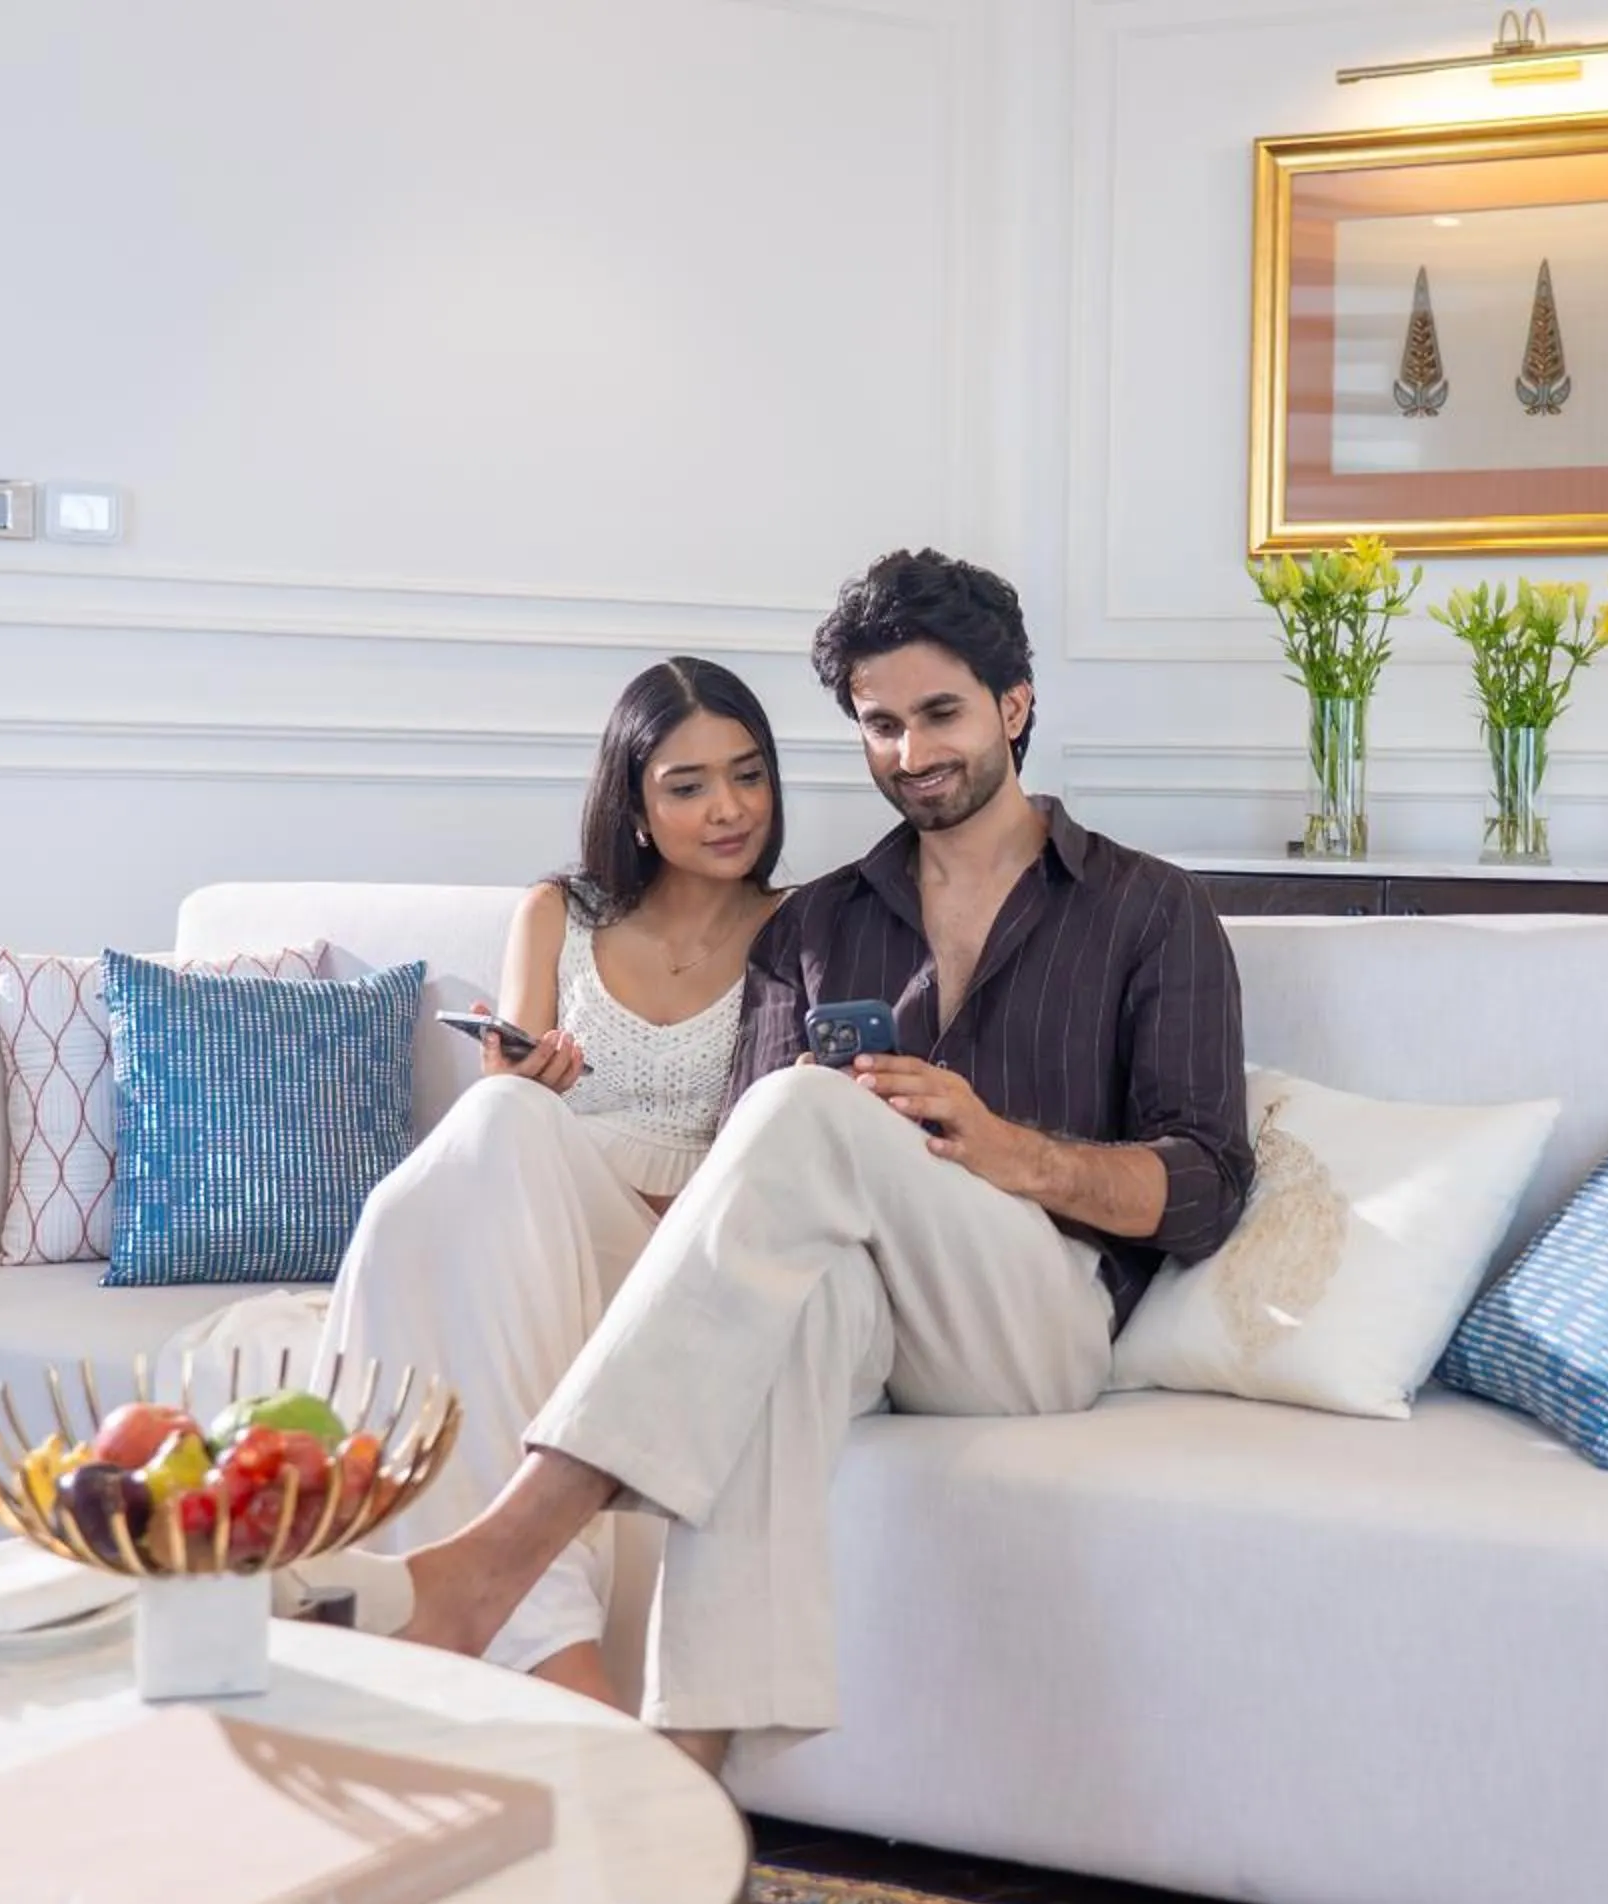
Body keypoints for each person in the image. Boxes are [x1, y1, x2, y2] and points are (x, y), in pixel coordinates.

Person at [385, 548, 1254, 1771]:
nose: (911, 752)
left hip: (1032, 1317)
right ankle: (682, 1775)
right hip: (859, 1310)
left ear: (1015, 705)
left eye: (940, 713)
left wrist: (1013, 1153)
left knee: (806, 1111)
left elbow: (1209, 1184)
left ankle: (501, 1551)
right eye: (880, 725)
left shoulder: (1151, 910)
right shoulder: (819, 922)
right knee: (772, 1269)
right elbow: (749, 1174)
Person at [289, 656, 786, 1711]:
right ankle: (547, 1646)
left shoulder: (802, 928)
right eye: (688, 786)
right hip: (536, 1211)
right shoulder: (557, 913)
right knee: (501, 1119)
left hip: (678, 1245)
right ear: (638, 808)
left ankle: (443, 1627)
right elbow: (508, 1089)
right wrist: (521, 1078)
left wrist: (519, 1112)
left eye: (748, 776)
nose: (729, 808)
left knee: (491, 1139)